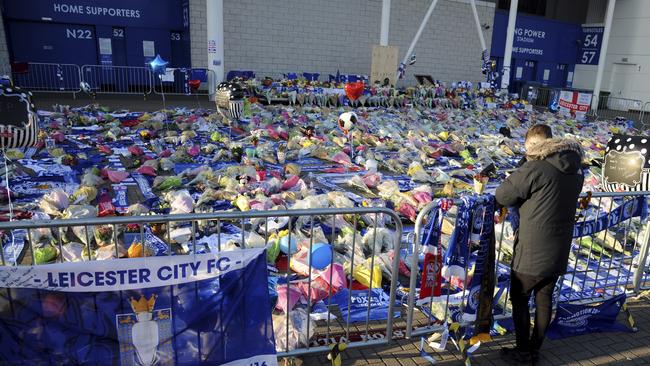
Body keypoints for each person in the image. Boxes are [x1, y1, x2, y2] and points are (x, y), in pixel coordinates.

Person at [495, 124, 584, 364]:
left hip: (533, 248)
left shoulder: (536, 168)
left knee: (520, 298)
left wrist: (520, 172)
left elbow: (503, 195)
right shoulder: (576, 170)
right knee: (544, 299)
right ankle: (535, 348)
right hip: (559, 247)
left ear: (535, 144)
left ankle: (523, 351)